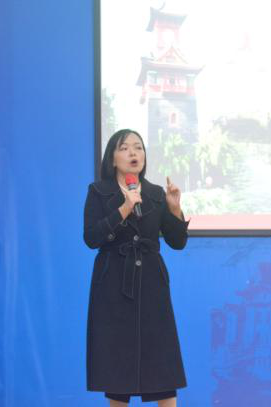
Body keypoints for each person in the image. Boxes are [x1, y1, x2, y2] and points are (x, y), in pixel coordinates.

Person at [83, 129, 189, 407]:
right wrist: (124, 209)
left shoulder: (155, 193)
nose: (133, 153)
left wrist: (174, 209)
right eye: (125, 148)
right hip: (114, 284)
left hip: (152, 284)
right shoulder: (98, 192)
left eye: (138, 147)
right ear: (112, 158)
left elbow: (177, 242)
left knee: (162, 366)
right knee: (117, 369)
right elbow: (91, 238)